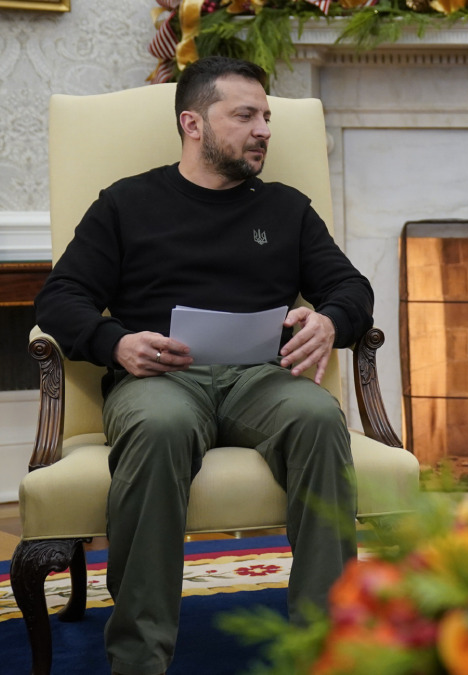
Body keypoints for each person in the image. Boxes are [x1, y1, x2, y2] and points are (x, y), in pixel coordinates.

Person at [34, 56, 373, 675]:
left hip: (261, 379)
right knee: (159, 427)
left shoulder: (286, 209)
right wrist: (116, 343)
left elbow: (351, 288)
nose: (263, 129)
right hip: (159, 378)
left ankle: (329, 649)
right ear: (193, 124)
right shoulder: (126, 203)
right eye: (245, 115)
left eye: (266, 116)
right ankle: (139, 659)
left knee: (319, 418)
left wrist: (330, 320)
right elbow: (61, 297)